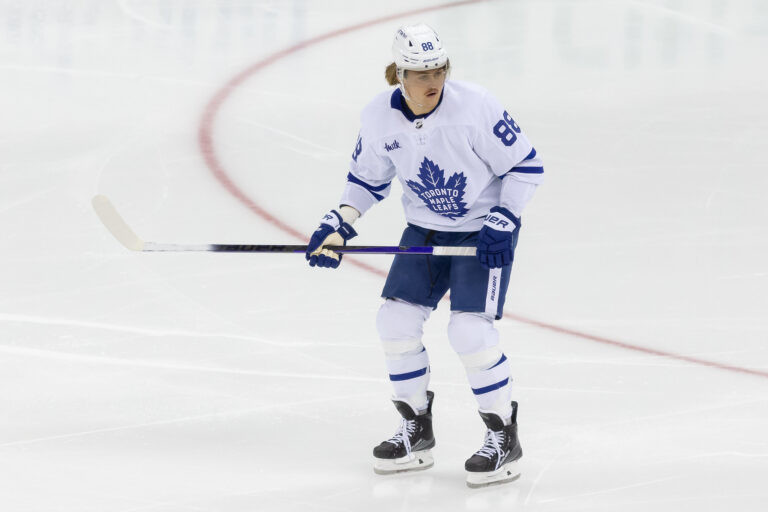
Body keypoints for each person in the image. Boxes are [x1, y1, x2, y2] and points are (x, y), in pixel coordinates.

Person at [304, 23, 543, 488]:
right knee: (394, 322)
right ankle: (416, 430)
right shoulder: (378, 117)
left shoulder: (475, 106)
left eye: (439, 70)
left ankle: (503, 436)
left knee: (469, 331)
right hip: (424, 231)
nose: (433, 80)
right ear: (399, 75)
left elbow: (525, 165)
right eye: (420, 73)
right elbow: (367, 179)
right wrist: (340, 222)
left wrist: (505, 217)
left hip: (483, 232)